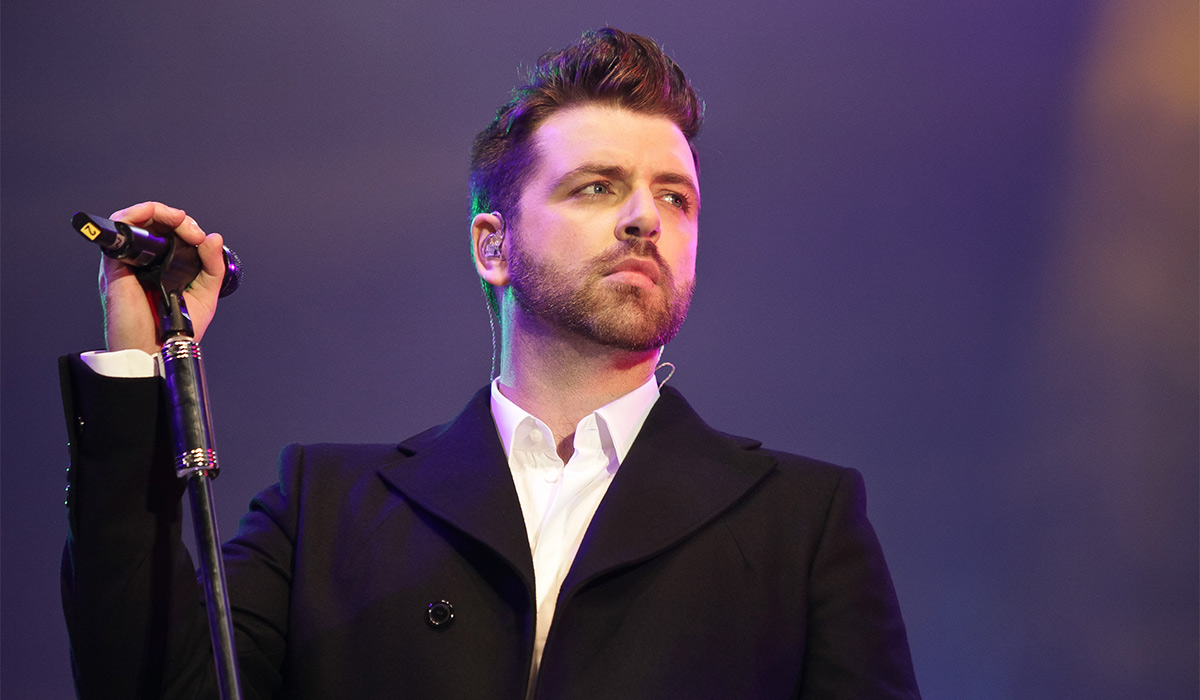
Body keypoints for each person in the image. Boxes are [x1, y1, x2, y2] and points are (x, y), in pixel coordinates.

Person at [60, 28, 921, 699]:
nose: (644, 219)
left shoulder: (802, 521)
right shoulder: (324, 507)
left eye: (674, 195)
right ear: (493, 245)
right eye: (596, 186)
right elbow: (148, 687)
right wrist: (141, 365)